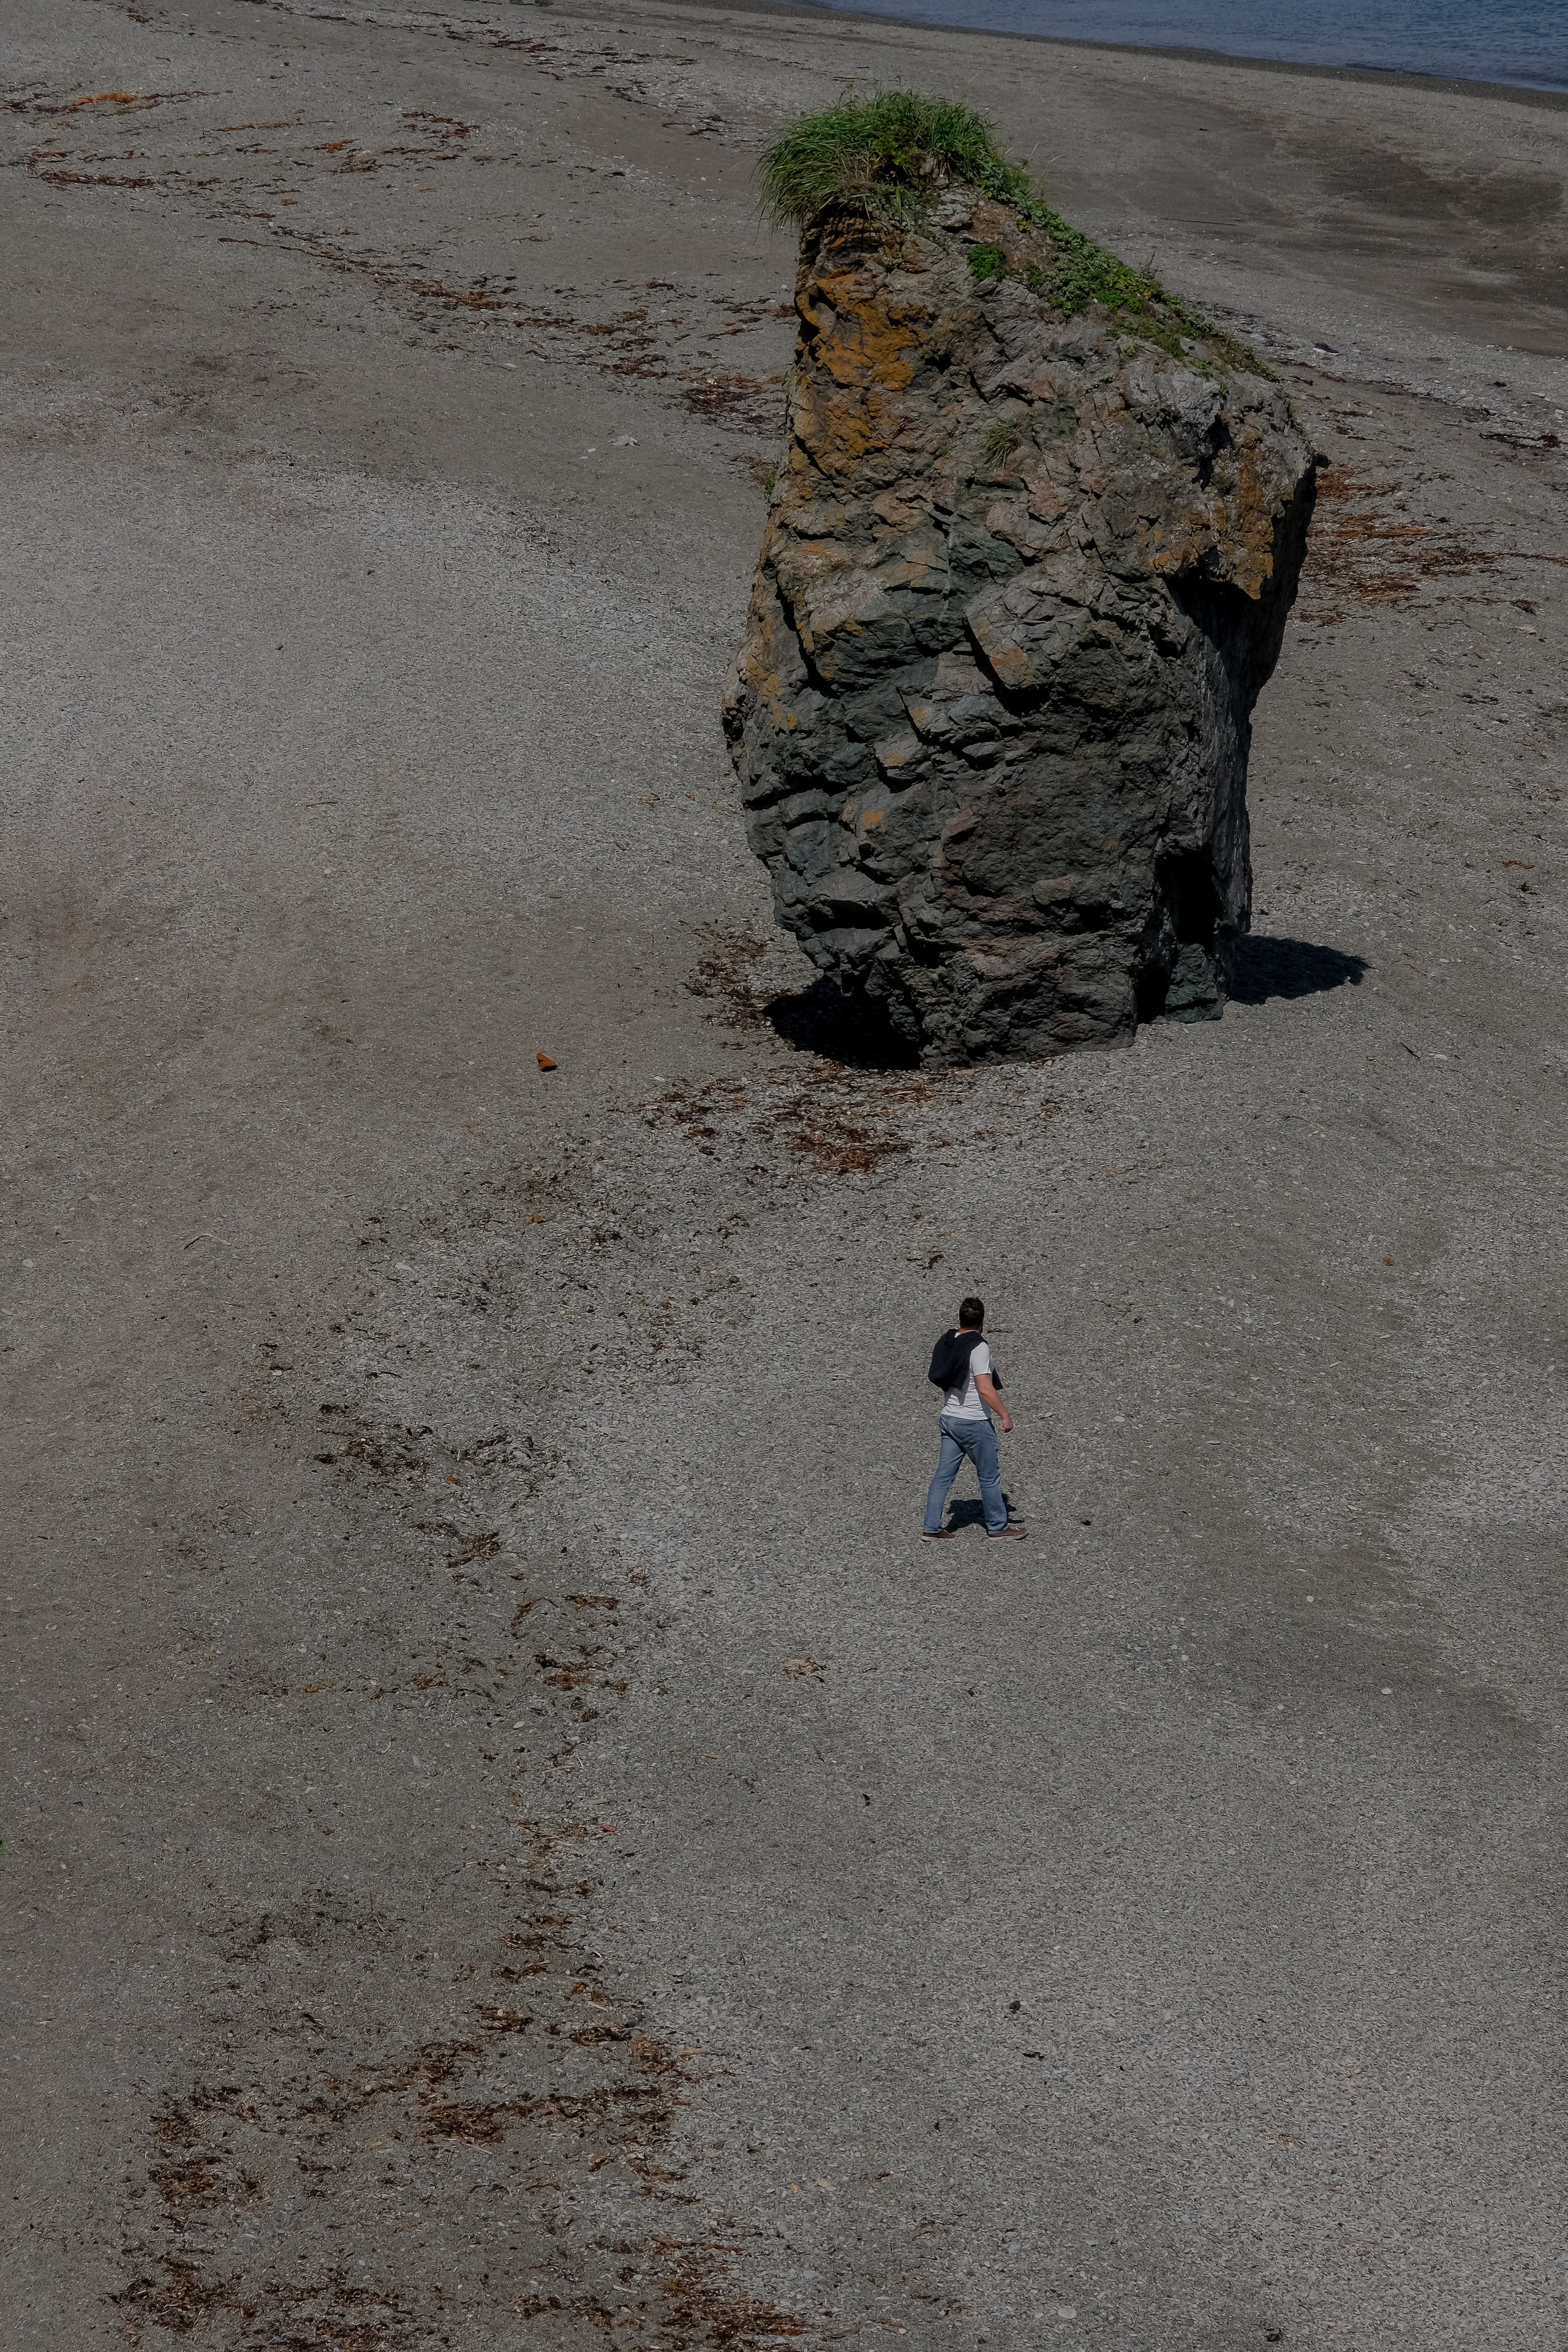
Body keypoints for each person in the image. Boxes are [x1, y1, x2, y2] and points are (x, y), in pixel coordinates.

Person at [922, 1296, 1027, 1540]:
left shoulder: (948, 1340)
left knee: (943, 1476)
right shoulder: (979, 1347)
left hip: (949, 1419)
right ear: (984, 1321)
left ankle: (931, 1526)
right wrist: (1005, 1414)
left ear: (959, 1319)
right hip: (974, 1422)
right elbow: (985, 1388)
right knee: (989, 1477)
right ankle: (998, 1527)